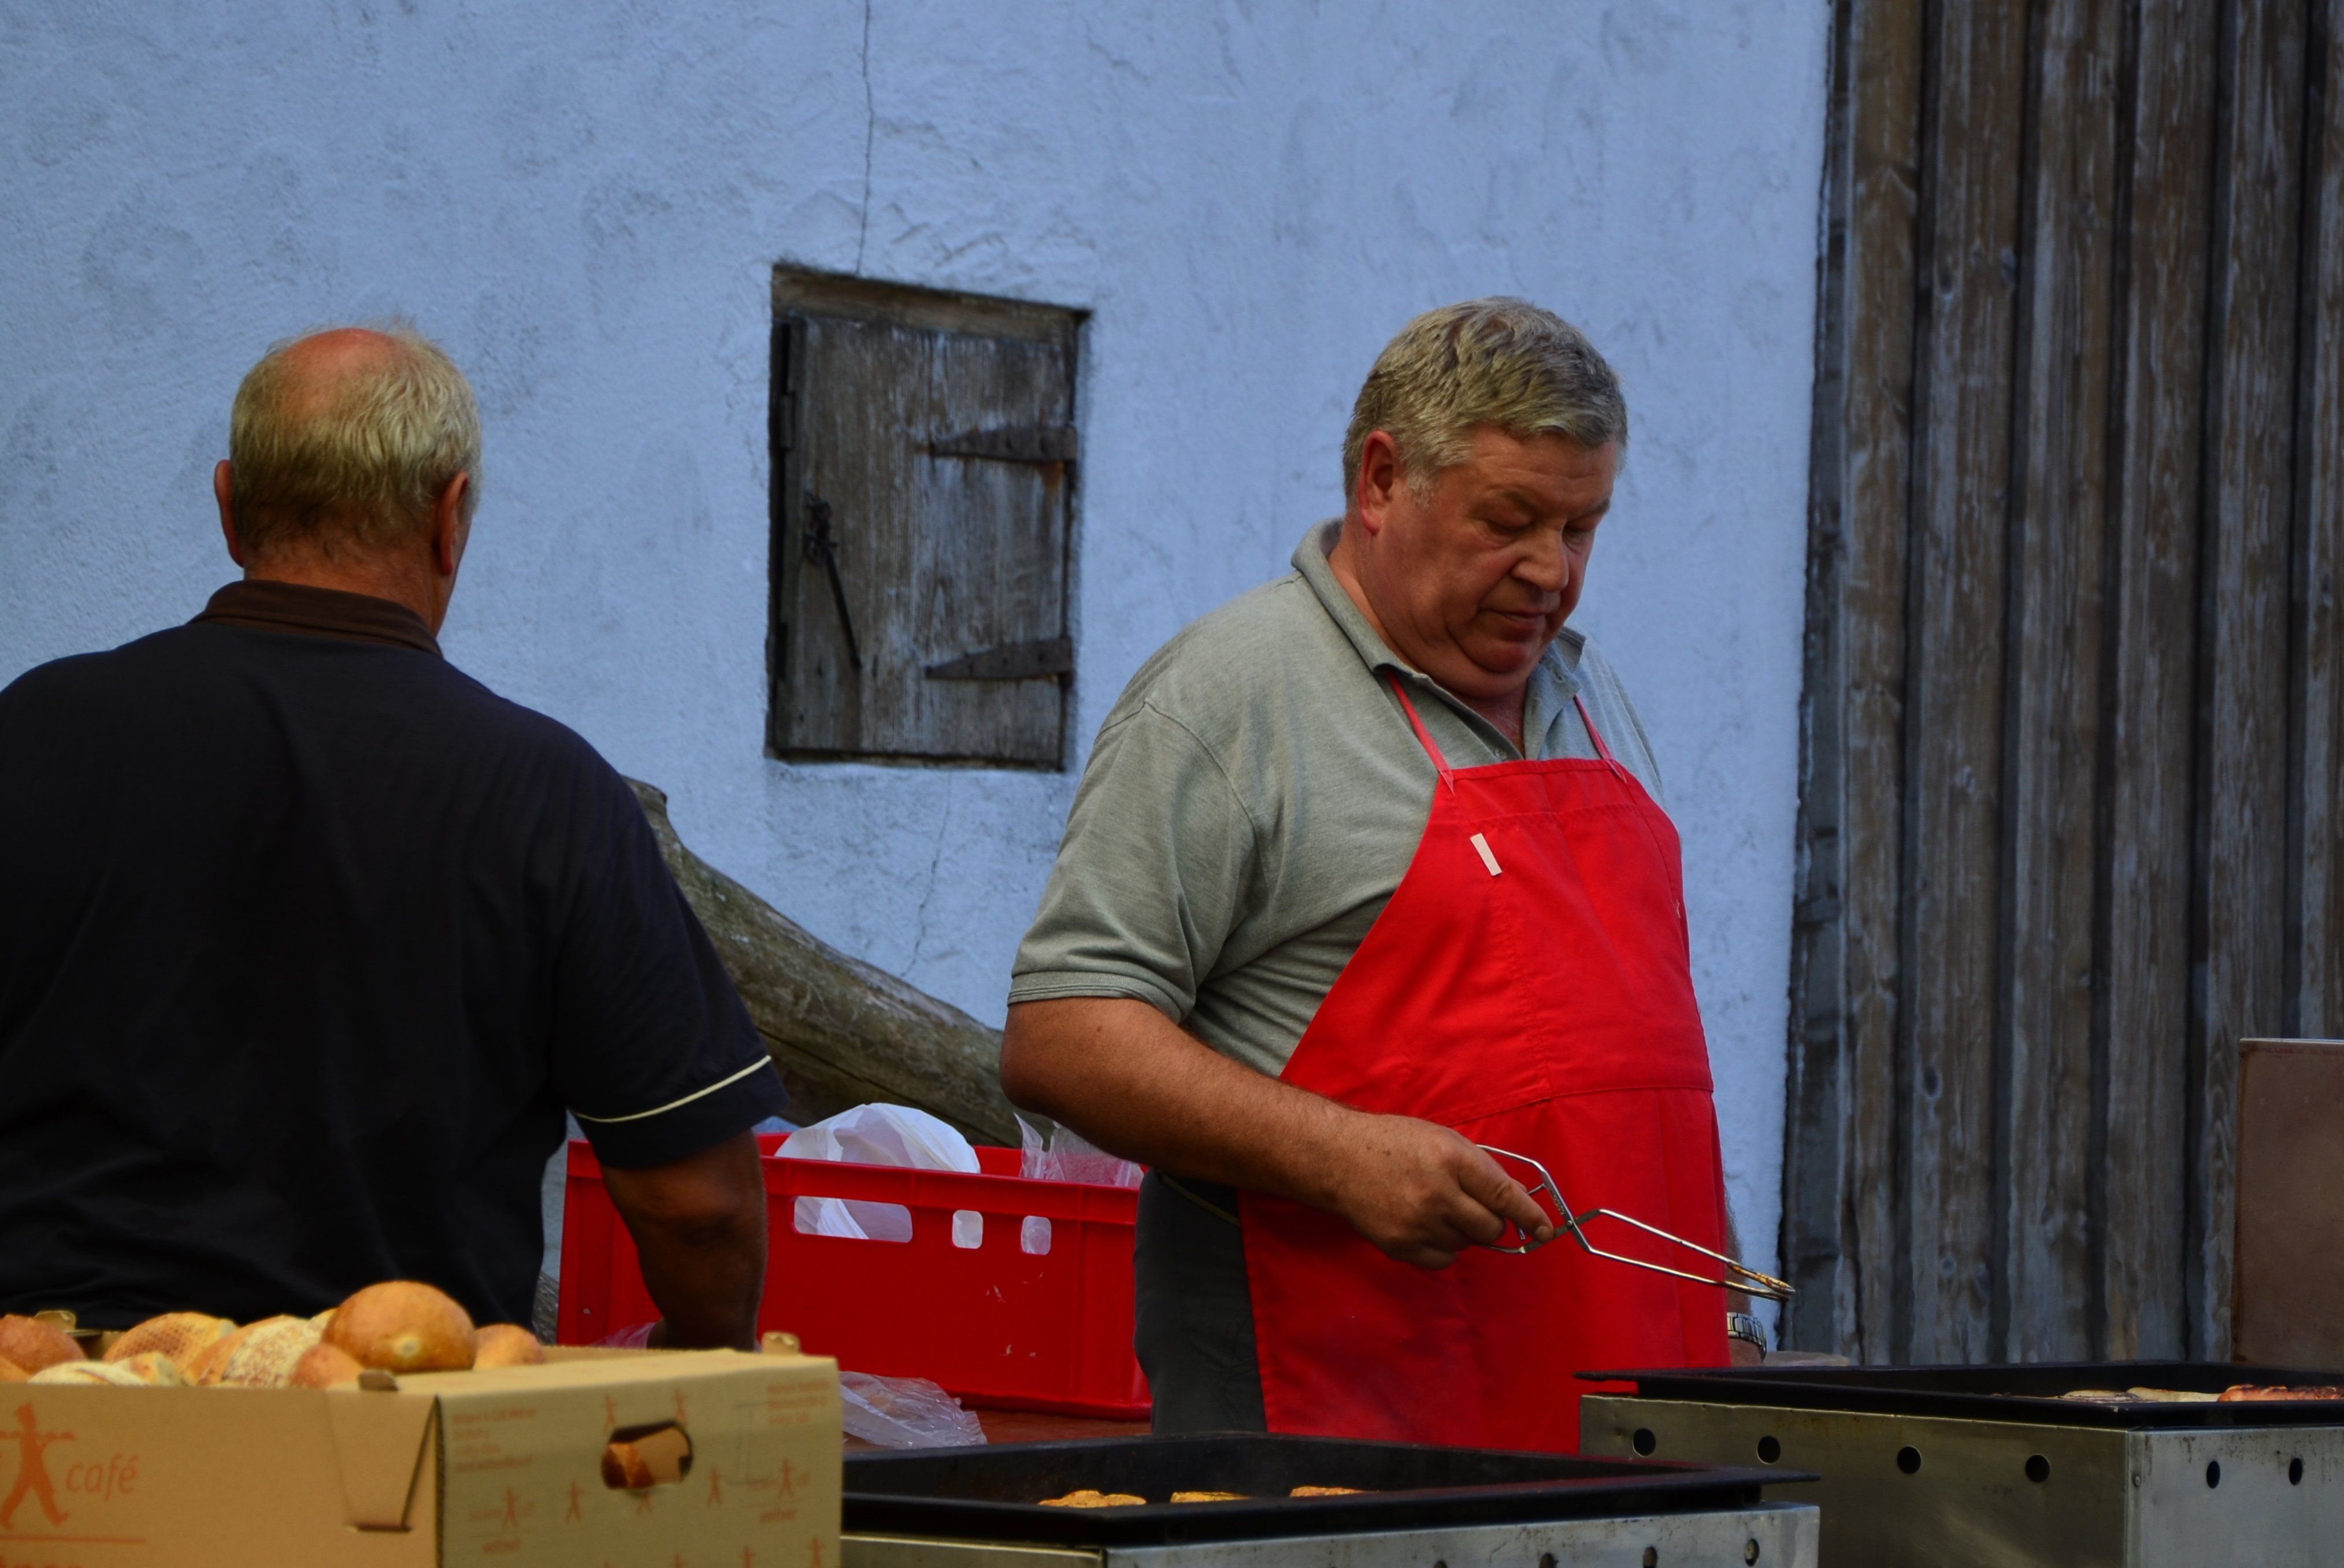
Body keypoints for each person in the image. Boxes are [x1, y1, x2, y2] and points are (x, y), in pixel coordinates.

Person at [1001, 299, 1762, 1451]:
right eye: (1509, 520)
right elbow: (1063, 1032)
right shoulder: (1230, 696)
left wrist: (1729, 1310)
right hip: (1342, 1430)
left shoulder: (1591, 697)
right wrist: (1340, 1155)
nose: (1551, 572)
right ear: (1382, 479)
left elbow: (1642, 1066)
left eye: (1582, 527)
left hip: (1625, 1417)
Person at [0, 325, 787, 1346]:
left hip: (58, 1406)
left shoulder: (32, 732)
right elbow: (700, 1206)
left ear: (229, 508)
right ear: (450, 518)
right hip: (398, 1410)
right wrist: (709, 1360)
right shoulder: (547, 792)